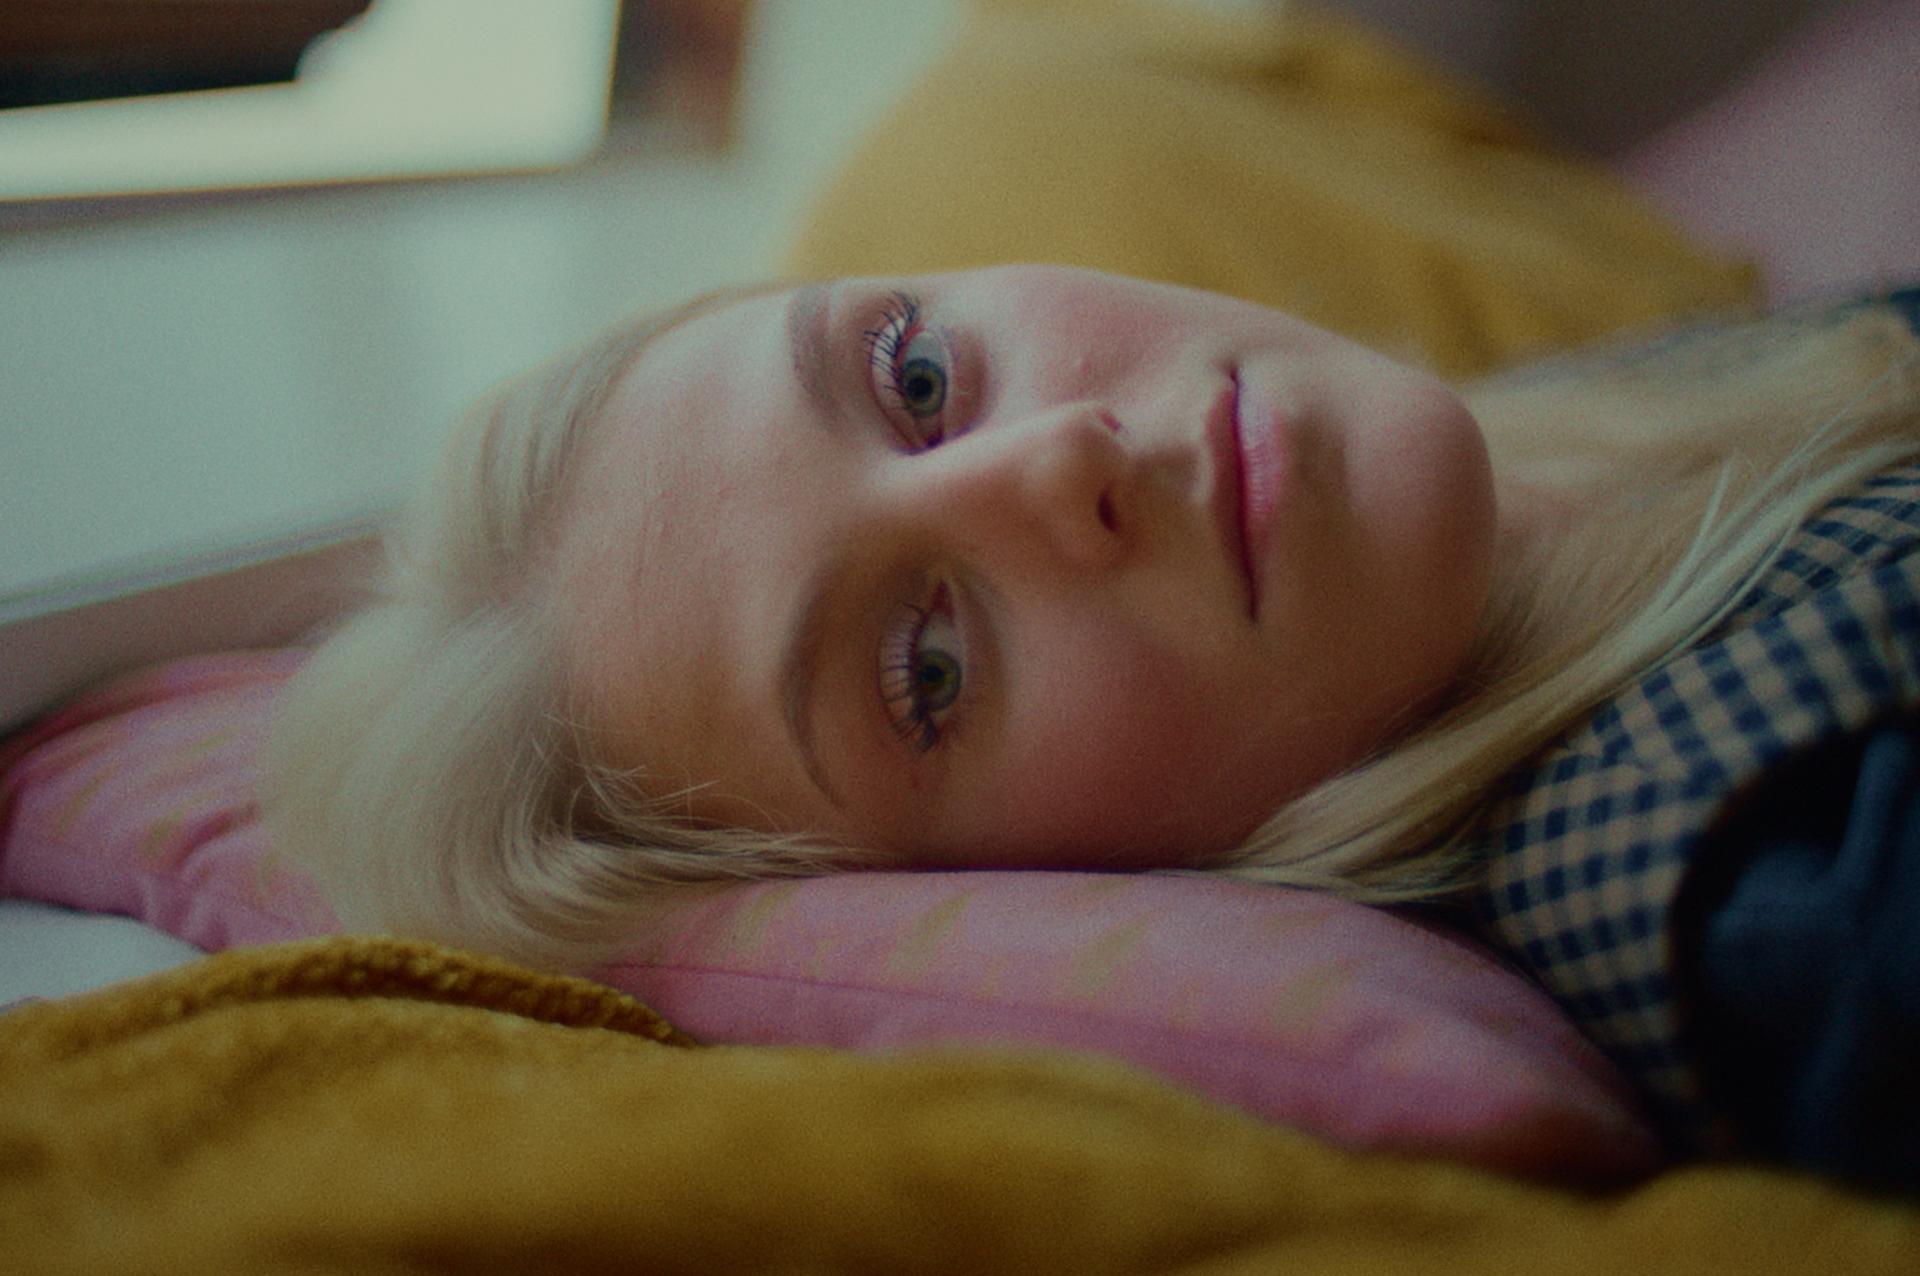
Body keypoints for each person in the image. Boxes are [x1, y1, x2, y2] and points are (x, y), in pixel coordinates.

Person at [265, 265, 1920, 1186]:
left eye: (916, 377)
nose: (1063, 461)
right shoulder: (1803, 865)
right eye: (924, 672)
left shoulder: (1587, 412)